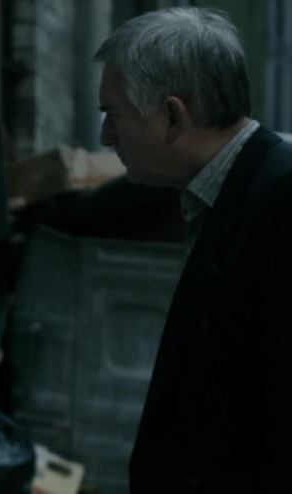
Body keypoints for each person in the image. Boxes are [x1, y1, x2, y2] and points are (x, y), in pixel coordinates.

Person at [96, 7, 292, 493]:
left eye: (114, 115)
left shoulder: (282, 198)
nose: (105, 136)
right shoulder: (225, 191)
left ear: (171, 116)